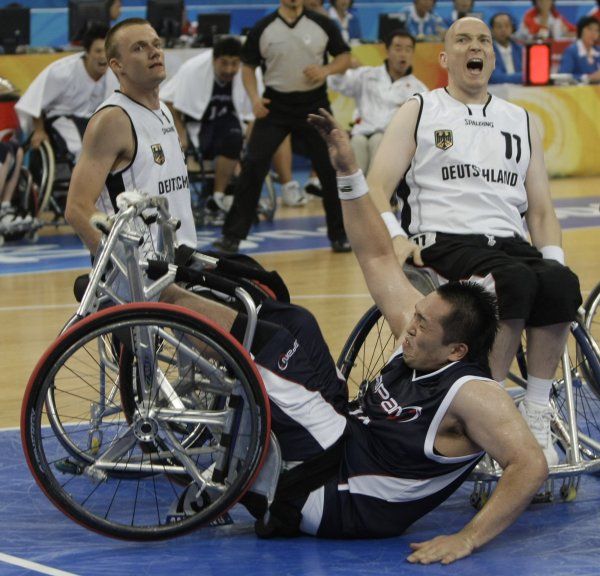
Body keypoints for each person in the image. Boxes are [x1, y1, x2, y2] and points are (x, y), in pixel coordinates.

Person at [184, 107, 548, 561]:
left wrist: (467, 538)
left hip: (332, 499)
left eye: (421, 326)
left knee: (274, 351)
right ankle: (173, 300)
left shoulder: (472, 394)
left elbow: (530, 465)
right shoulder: (420, 342)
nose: (408, 328)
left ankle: (163, 305)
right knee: (292, 320)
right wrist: (347, 170)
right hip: (335, 445)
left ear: (456, 349)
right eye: (415, 317)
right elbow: (376, 256)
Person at [365, 17, 582, 466]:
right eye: (462, 40)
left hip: (507, 242)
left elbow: (540, 210)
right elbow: (376, 185)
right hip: (444, 239)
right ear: (446, 58)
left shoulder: (519, 120)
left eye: (483, 40)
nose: (474, 47)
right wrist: (397, 239)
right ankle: (491, 414)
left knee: (560, 283)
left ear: (492, 56)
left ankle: (536, 413)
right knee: (513, 281)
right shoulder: (421, 108)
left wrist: (555, 263)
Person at [213, 0, 352, 254]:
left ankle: (340, 234)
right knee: (253, 164)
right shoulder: (263, 28)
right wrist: (255, 98)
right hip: (275, 104)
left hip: (314, 102)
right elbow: (248, 67)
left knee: (329, 167)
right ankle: (232, 236)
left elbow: (344, 56)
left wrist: (325, 70)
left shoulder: (322, 24)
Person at [65, 18, 197, 262]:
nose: (154, 52)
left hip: (182, 257)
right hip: (145, 274)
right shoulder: (113, 120)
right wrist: (126, 267)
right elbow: (77, 208)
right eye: (139, 48)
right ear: (117, 65)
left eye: (156, 44)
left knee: (264, 291)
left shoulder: (164, 111)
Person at [160, 36, 253, 214]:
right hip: (200, 126)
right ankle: (218, 193)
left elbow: (253, 112)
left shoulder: (247, 72)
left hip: (230, 126)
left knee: (235, 137)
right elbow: (167, 99)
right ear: (214, 60)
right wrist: (180, 133)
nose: (229, 69)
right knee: (229, 137)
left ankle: (217, 195)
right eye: (224, 63)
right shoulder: (193, 69)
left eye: (235, 64)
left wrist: (250, 144)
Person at [328, 29, 427, 174]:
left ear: (412, 53)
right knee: (357, 142)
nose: (403, 54)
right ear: (387, 50)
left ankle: (377, 193)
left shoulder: (419, 89)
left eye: (408, 49)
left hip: (392, 140)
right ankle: (355, 195)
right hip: (361, 133)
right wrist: (344, 67)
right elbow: (337, 83)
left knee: (378, 140)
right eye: (398, 48)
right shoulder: (366, 74)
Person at [15, 23, 118, 163]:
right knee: (81, 149)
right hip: (61, 118)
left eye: (106, 51)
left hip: (93, 121)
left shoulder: (116, 72)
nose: (102, 57)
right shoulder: (61, 72)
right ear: (87, 52)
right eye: (98, 51)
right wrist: (39, 131)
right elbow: (35, 103)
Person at [558, 16, 600, 84]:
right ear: (581, 30)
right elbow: (562, 77)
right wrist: (588, 77)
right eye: (590, 29)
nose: (593, 33)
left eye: (597, 30)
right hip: (577, 92)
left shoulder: (598, 50)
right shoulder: (571, 51)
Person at [490, 13, 524, 84]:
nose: (503, 30)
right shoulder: (488, 51)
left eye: (507, 26)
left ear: (512, 28)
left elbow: (531, 72)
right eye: (499, 26)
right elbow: (495, 78)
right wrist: (523, 76)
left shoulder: (520, 49)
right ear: (492, 31)